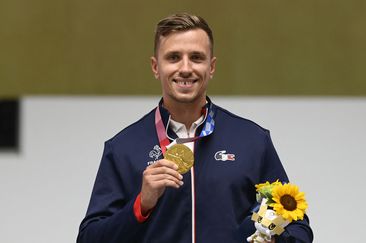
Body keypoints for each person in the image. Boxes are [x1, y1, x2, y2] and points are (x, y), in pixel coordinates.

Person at [77, 13, 313, 243]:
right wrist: (142, 205)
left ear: (211, 67)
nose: (186, 68)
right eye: (173, 57)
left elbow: (297, 225)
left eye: (196, 57)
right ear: (155, 67)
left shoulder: (252, 141)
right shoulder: (123, 148)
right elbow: (89, 238)